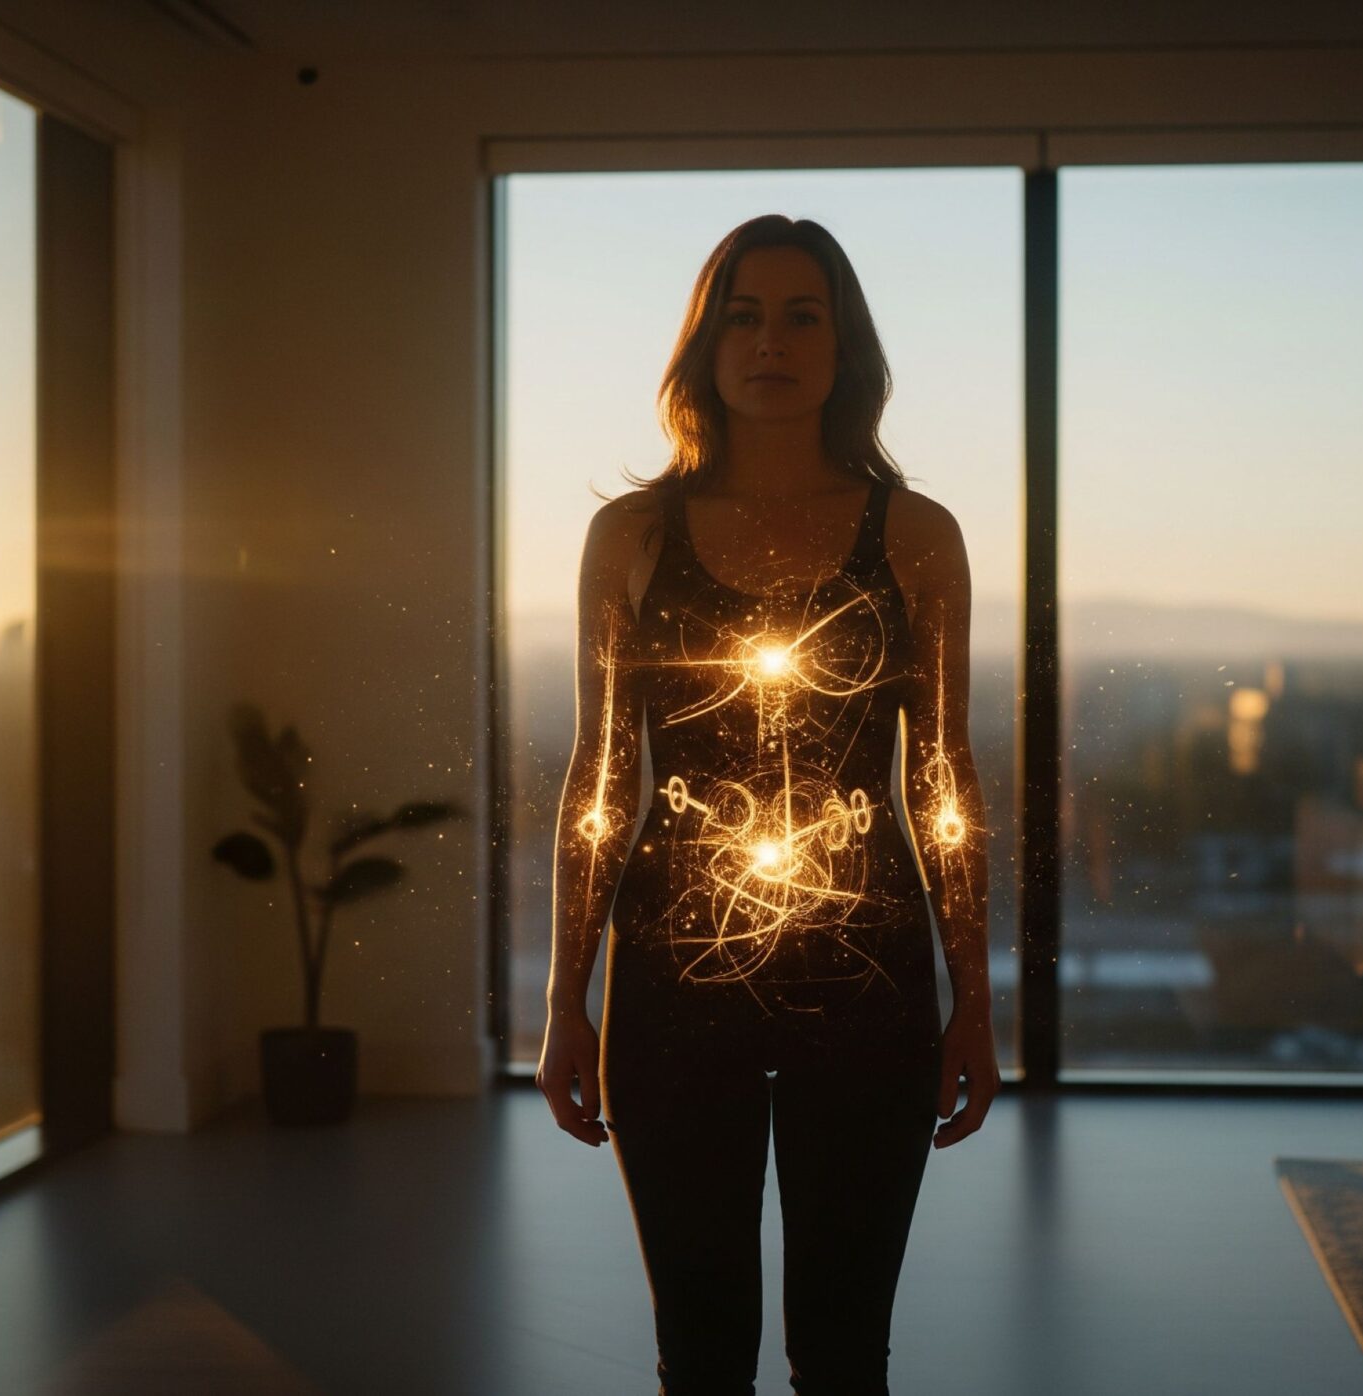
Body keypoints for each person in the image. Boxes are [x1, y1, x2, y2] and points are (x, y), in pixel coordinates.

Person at [535, 213, 1002, 1396]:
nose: (772, 341)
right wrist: (562, 998)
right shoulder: (632, 539)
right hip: (672, 991)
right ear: (705, 343)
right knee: (698, 1348)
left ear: (846, 347)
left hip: (874, 984)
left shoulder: (915, 538)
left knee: (844, 1351)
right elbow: (600, 773)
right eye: (743, 314)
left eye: (804, 314)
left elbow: (943, 777)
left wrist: (973, 998)